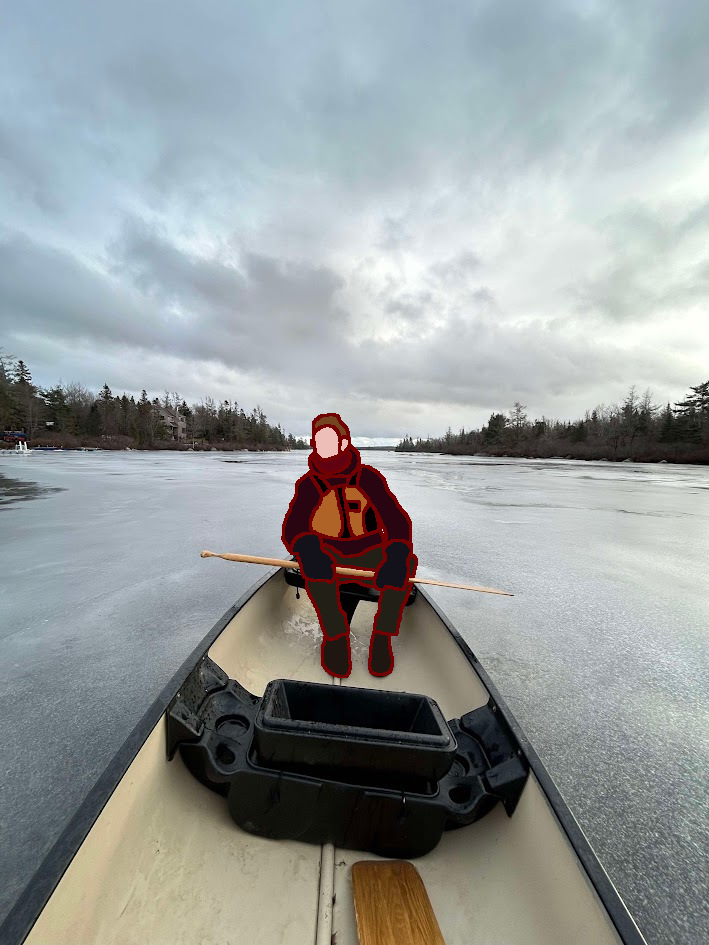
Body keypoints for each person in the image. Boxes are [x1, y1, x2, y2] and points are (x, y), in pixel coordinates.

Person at [282, 413, 416, 678]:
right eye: (318, 441)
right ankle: (336, 637)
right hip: (329, 553)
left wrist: (397, 553)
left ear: (344, 443)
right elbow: (293, 528)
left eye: (329, 440)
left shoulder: (369, 479)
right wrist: (307, 549)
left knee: (406, 564)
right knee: (314, 565)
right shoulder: (309, 485)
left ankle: (382, 635)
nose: (323, 446)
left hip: (369, 550)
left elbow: (397, 522)